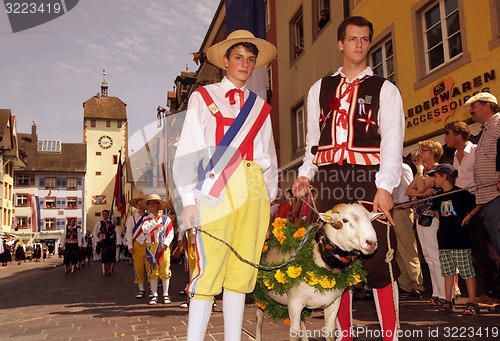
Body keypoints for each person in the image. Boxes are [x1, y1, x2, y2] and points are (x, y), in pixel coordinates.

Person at [292, 16, 403, 340]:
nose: (359, 44)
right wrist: (304, 175)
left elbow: (393, 142)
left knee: (380, 265)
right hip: (329, 181)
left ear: (369, 42)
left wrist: (385, 187)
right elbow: (314, 140)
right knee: (334, 264)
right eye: (353, 38)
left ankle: (390, 336)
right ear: (341, 43)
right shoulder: (320, 89)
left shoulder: (384, 89)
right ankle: (343, 335)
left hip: (368, 178)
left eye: (365, 39)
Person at [173, 29, 278, 340]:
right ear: (226, 61)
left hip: (254, 188)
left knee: (241, 273)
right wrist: (188, 200)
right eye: (239, 58)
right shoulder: (203, 97)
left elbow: (267, 156)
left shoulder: (260, 107)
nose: (245, 64)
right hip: (216, 189)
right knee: (208, 271)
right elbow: (189, 150)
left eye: (250, 59)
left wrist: (268, 204)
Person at [428, 164, 482, 314]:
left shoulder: (461, 193)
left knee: (466, 271)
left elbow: (479, 202)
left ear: (445, 176)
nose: (434, 180)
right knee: (448, 271)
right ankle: (448, 300)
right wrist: (444, 221)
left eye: (436, 176)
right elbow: (434, 208)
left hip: (460, 239)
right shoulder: (438, 196)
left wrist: (469, 216)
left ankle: (472, 302)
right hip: (444, 238)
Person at [406, 140, 447, 307]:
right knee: (428, 256)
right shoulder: (423, 172)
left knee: (435, 255)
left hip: (432, 216)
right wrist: (419, 192)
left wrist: (420, 173)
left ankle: (444, 292)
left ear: (432, 153)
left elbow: (421, 188)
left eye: (423, 150)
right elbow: (409, 191)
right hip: (420, 215)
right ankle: (437, 292)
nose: (420, 154)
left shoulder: (436, 169)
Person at [467, 93, 500, 257]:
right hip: (488, 198)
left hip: (497, 195)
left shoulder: (499, 123)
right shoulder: (487, 130)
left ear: (487, 105)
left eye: (474, 106)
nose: (470, 111)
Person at [393, 163, 425, 298]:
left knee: (408, 249)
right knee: (399, 251)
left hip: (402, 209)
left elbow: (410, 189)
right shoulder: (391, 167)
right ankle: (405, 284)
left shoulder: (402, 167)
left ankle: (417, 285)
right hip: (394, 209)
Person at [139, 194, 174, 305]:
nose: (152, 205)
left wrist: (165, 244)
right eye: (150, 203)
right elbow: (145, 230)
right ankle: (154, 294)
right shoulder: (145, 219)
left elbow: (170, 233)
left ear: (159, 205)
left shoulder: (166, 219)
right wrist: (154, 220)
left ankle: (165, 294)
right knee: (152, 271)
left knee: (165, 270)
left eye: (154, 203)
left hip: (163, 247)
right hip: (151, 247)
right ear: (148, 206)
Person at [125, 197, 150, 299]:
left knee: (150, 266)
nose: (139, 206)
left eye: (142, 204)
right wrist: (130, 245)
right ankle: (141, 289)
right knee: (138, 267)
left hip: (148, 244)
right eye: (138, 204)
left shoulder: (149, 217)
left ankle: (152, 288)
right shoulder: (132, 218)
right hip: (137, 245)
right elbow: (129, 233)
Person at [93, 209, 117, 276]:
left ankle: (110, 270)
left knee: (112, 256)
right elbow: (94, 233)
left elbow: (115, 221)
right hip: (104, 242)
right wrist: (97, 240)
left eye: (106, 214)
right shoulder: (99, 224)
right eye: (104, 214)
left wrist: (113, 214)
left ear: (108, 215)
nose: (105, 216)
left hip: (111, 241)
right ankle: (104, 271)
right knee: (104, 256)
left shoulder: (111, 222)